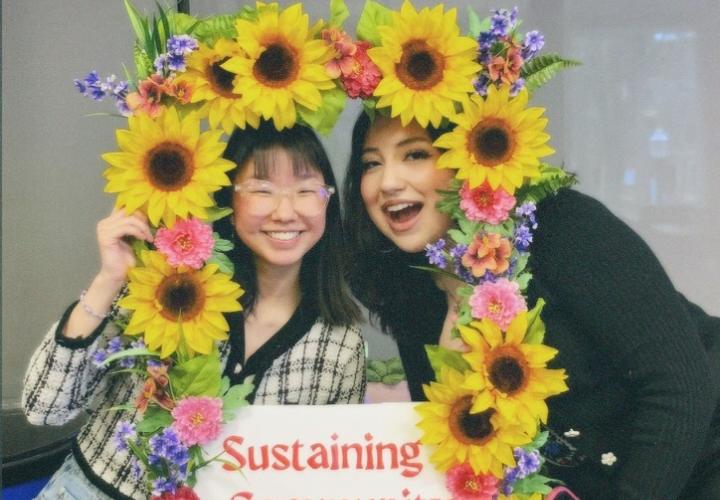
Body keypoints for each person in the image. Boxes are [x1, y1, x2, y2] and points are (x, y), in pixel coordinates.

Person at [343, 112, 720, 500]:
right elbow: (465, 449)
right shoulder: (408, 288)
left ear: (472, 157)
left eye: (415, 155)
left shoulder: (561, 225)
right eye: (372, 163)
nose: (387, 182)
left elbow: (681, 387)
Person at [23, 122, 365, 500]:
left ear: (328, 202)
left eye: (305, 190)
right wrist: (109, 279)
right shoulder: (168, 285)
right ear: (228, 201)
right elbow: (44, 408)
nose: (285, 211)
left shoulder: (341, 347)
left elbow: (323, 478)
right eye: (261, 189)